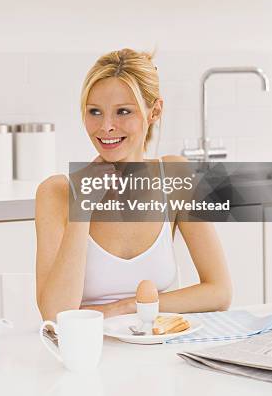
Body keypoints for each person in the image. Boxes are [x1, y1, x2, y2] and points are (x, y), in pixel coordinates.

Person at [35, 48, 232, 321]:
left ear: (154, 111)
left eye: (123, 111)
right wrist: (82, 210)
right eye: (95, 112)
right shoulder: (56, 193)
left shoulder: (175, 177)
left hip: (157, 349)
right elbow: (55, 314)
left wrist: (127, 307)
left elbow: (219, 292)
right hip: (87, 353)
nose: (106, 127)